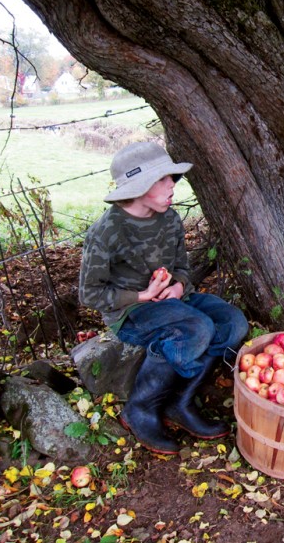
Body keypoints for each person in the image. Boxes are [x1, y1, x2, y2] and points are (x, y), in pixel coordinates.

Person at [79, 141, 249, 454]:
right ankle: (140, 409)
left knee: (233, 323)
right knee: (196, 329)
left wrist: (180, 286)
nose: (172, 184)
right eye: (162, 179)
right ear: (139, 187)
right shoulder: (107, 231)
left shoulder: (168, 218)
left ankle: (179, 402)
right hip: (132, 314)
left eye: (171, 177)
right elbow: (90, 293)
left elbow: (182, 266)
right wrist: (142, 295)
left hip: (174, 302)